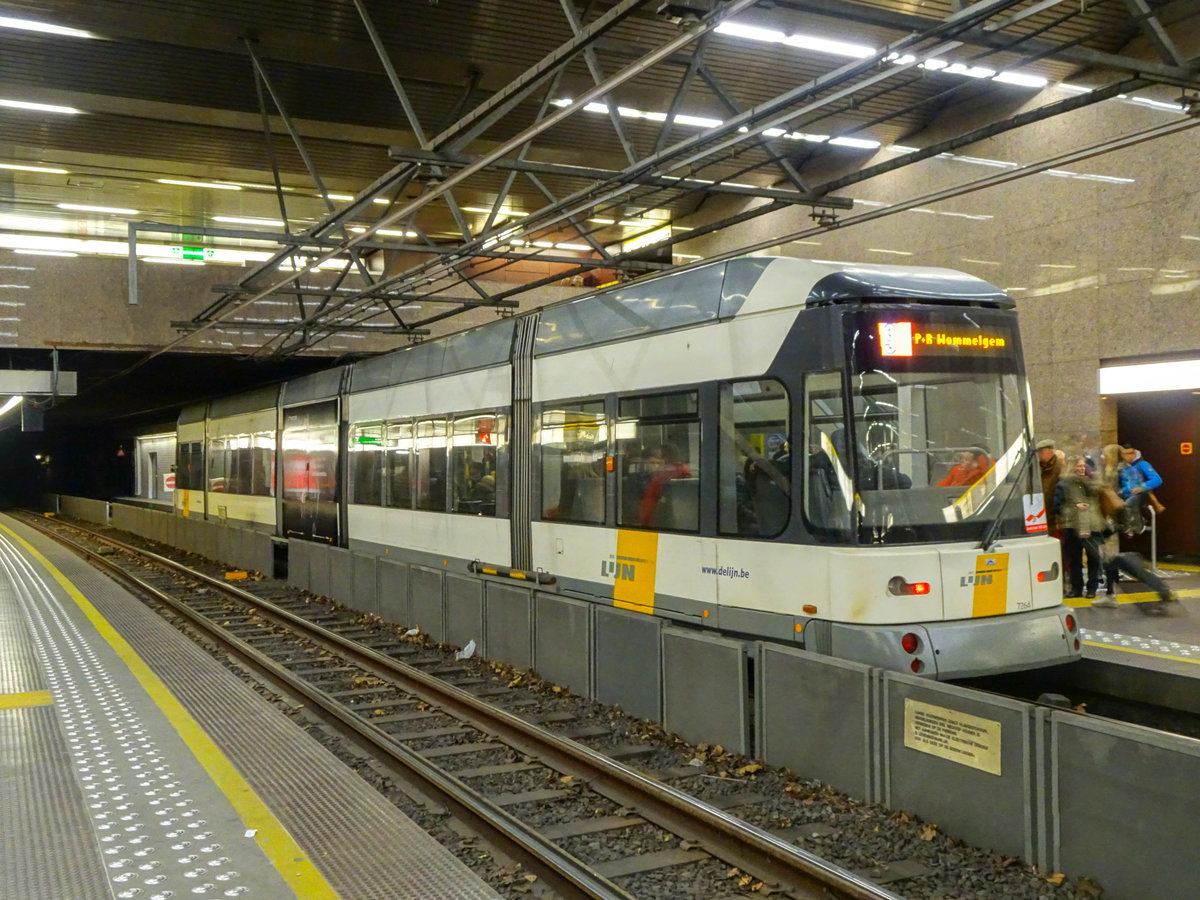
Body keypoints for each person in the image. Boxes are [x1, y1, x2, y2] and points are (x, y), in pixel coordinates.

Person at [1055, 456, 1105, 600]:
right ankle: (1077, 588)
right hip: (1072, 525)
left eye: (1083, 466)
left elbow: (1099, 501)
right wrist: (1074, 507)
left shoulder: (1092, 482)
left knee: (1093, 559)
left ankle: (1092, 588)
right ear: (1071, 468)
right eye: (1078, 466)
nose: (1081, 469)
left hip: (1092, 525)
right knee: (1075, 559)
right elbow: (1057, 506)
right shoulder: (1063, 485)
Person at [637, 443, 691, 526]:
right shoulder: (685, 470)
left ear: (665, 457)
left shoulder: (660, 475)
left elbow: (649, 503)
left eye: (658, 462)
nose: (656, 466)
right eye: (652, 463)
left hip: (659, 518)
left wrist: (643, 521)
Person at [1117, 443, 1163, 535]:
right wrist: (1121, 490)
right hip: (1126, 493)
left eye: (1130, 453)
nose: (1128, 456)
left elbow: (1157, 480)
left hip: (1142, 493)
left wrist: (1141, 487)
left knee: (1129, 503)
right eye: (1125, 454)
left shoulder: (1142, 464)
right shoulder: (1121, 467)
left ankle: (1138, 526)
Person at [1037, 439, 1062, 535]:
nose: (1038, 454)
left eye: (1041, 451)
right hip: (1041, 516)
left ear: (1050, 452)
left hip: (1054, 518)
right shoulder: (1039, 468)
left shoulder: (1059, 469)